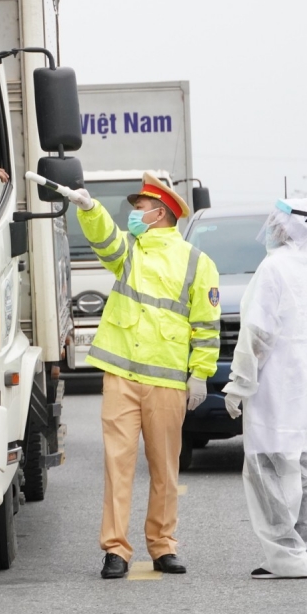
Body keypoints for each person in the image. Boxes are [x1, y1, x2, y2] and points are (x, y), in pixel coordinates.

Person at [67, 172, 221, 579]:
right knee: (117, 466)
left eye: (138, 209)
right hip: (120, 375)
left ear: (160, 213)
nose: (132, 215)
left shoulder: (197, 263)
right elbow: (106, 239)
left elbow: (206, 325)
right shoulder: (130, 252)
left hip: (167, 381)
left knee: (164, 470)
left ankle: (162, 546)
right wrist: (89, 208)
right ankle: (115, 550)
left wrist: (200, 374)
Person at [222, 198, 307, 580]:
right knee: (306, 476)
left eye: (274, 224)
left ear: (284, 229)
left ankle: (288, 557)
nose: (270, 231)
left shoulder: (273, 269)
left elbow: (258, 333)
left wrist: (240, 382)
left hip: (276, 394)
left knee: (269, 474)